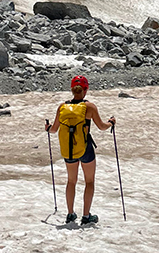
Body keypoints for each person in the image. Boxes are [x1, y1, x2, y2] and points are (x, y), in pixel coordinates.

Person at [46, 75, 115, 225]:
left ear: (72, 89)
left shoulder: (62, 107)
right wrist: (111, 123)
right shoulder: (89, 107)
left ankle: (70, 214)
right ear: (85, 89)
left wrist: (47, 128)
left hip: (69, 149)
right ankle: (86, 216)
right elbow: (102, 127)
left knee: (71, 181)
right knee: (89, 181)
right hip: (85, 149)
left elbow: (53, 130)